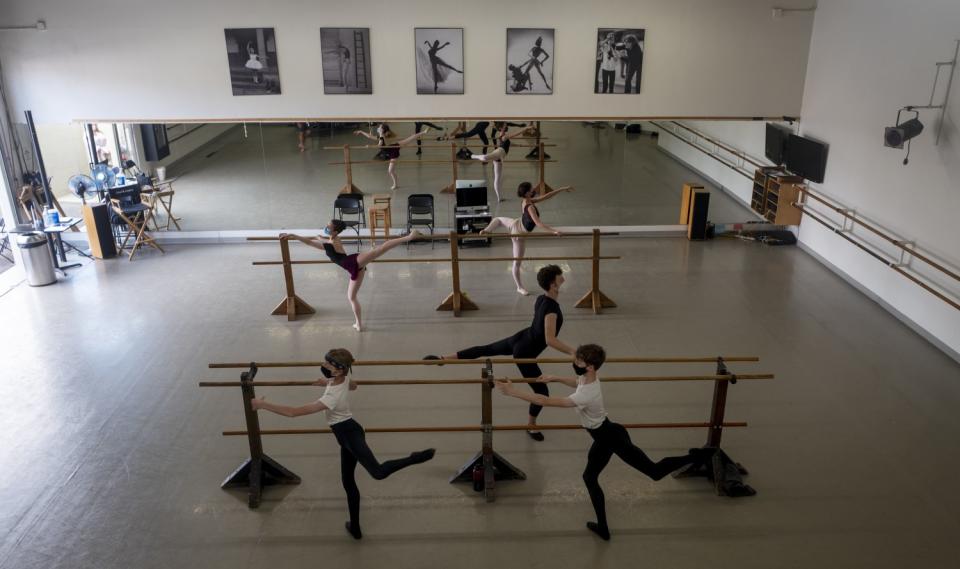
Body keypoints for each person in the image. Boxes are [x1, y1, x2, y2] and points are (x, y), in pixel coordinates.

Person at [496, 344, 711, 541]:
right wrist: (556, 378)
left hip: (610, 438)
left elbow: (544, 401)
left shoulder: (586, 394)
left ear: (589, 366)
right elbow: (577, 382)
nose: (575, 365)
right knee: (590, 477)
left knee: (654, 472)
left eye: (578, 363)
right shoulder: (589, 378)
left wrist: (513, 391)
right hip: (608, 432)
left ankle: (698, 455)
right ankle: (603, 527)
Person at [251, 348, 436, 540]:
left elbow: (293, 412)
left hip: (350, 435)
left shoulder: (332, 398)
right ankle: (355, 527)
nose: (324, 365)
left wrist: (262, 405)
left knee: (378, 473)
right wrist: (328, 382)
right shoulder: (344, 378)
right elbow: (353, 386)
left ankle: (415, 458)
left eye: (328, 364)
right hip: (347, 434)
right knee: (348, 481)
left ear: (339, 370)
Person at [424, 265, 574, 440]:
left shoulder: (541, 299)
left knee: (485, 349)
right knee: (542, 392)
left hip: (521, 337)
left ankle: (444, 358)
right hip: (525, 352)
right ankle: (531, 426)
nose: (563, 278)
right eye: (559, 277)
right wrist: (573, 351)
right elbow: (550, 340)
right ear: (553, 285)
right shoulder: (552, 310)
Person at [281, 221, 422, 331]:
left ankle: (410, 236)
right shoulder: (332, 238)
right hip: (354, 268)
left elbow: (312, 242)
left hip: (354, 262)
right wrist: (316, 237)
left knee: (381, 248)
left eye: (328, 226)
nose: (325, 226)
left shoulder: (331, 243)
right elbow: (320, 239)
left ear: (335, 231)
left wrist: (295, 236)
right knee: (351, 297)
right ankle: (358, 325)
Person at [481, 181, 574, 295]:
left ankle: (487, 230)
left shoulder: (527, 200)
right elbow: (538, 224)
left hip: (516, 223)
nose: (534, 190)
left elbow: (546, 196)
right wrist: (554, 231)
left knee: (499, 219)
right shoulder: (530, 207)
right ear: (527, 193)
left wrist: (562, 188)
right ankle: (519, 287)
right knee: (517, 263)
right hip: (518, 235)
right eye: (531, 189)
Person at [469, 123, 537, 202]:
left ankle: (499, 197)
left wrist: (519, 145)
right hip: (499, 152)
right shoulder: (504, 136)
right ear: (501, 129)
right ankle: (473, 156)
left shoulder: (504, 137)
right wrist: (526, 128)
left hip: (499, 157)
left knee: (497, 178)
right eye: (504, 127)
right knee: (485, 157)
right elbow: (516, 134)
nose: (506, 127)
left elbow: (510, 144)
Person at [354, 123, 432, 190]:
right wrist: (361, 131)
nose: (377, 128)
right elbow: (370, 136)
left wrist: (369, 146)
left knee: (390, 170)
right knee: (410, 138)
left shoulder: (381, 137)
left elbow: (379, 145)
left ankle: (395, 184)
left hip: (393, 152)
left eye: (379, 127)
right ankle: (424, 132)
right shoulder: (381, 136)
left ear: (382, 130)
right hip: (393, 147)